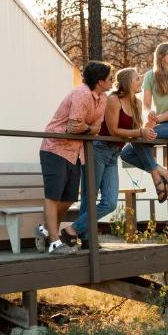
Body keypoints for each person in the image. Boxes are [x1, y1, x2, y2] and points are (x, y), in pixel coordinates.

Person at [64, 67, 156, 248]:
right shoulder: (113, 100)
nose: (141, 82)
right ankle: (87, 240)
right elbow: (114, 130)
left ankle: (72, 230)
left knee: (110, 202)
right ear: (129, 82)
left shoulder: (137, 104)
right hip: (98, 149)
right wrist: (140, 131)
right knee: (90, 197)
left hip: (114, 154)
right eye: (138, 79)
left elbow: (137, 131)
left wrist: (150, 123)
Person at [37, 61, 113, 254]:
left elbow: (94, 130)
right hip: (55, 148)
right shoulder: (81, 94)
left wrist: (86, 128)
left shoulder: (103, 99)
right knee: (53, 196)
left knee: (69, 198)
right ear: (100, 81)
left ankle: (45, 229)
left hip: (75, 152)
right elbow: (72, 127)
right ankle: (54, 242)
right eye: (110, 78)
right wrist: (88, 128)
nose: (113, 81)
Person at [119, 42, 168, 202]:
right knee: (126, 153)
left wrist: (158, 119)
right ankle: (164, 174)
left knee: (139, 136)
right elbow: (145, 104)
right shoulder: (150, 76)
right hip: (159, 124)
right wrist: (148, 112)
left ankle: (160, 178)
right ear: (161, 56)